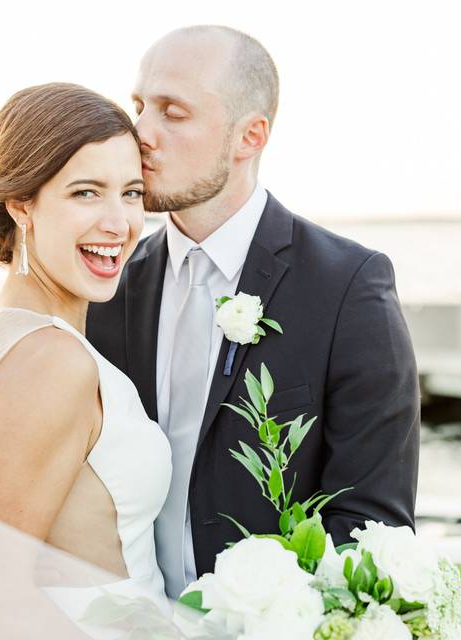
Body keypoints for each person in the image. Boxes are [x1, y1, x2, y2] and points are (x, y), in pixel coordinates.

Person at [86, 25, 421, 600]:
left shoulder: (348, 287)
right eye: (138, 106)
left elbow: (371, 522)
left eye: (173, 112)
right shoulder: (106, 285)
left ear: (250, 136)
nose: (139, 133)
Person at [0, 82, 175, 638]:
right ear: (22, 204)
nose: (119, 224)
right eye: (86, 193)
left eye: (132, 193)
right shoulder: (53, 363)